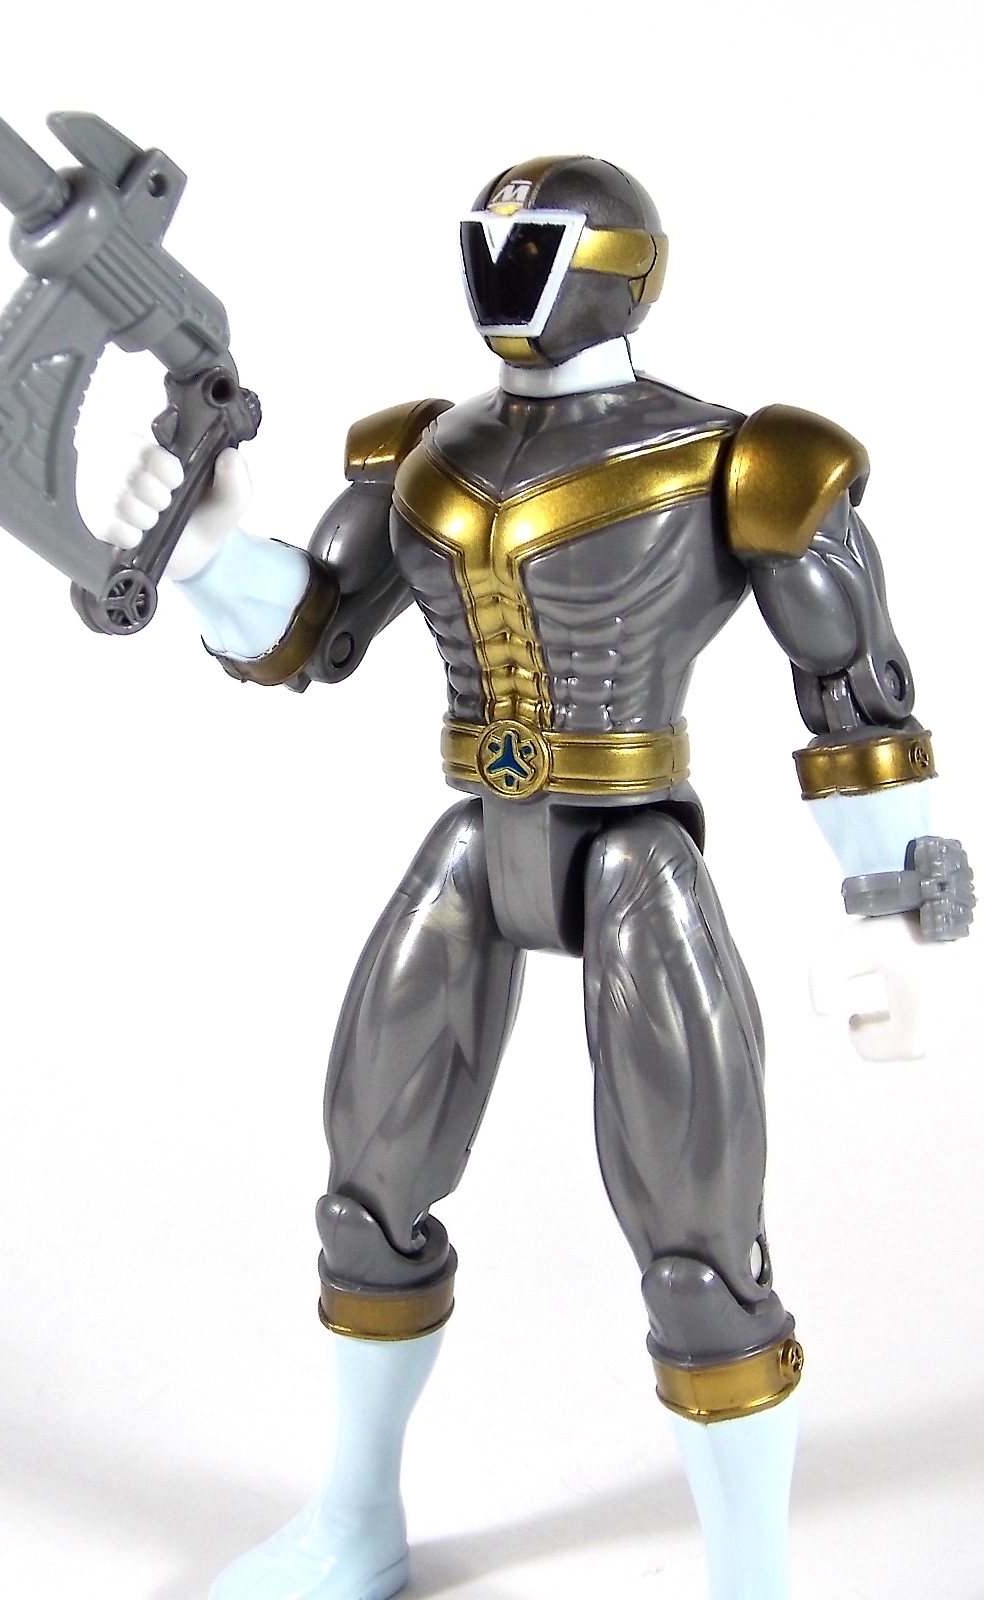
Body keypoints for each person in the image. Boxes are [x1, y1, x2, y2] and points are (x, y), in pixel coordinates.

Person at [103, 155, 973, 1600]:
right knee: (365, 1195)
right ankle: (356, 1518)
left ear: (623, 270)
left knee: (701, 1255)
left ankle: (751, 1580)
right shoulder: (422, 456)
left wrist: (902, 912)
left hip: (636, 851)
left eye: (540, 250)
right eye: (490, 246)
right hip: (477, 841)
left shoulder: (740, 459)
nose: (507, 277)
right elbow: (314, 633)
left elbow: (857, 692)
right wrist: (204, 557)